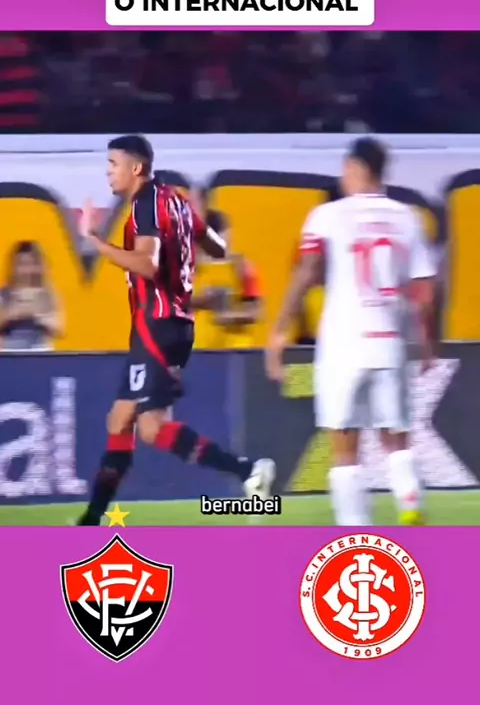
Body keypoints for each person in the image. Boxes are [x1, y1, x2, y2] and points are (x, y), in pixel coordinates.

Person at [76, 134, 274, 526]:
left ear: (135, 167)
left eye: (113, 164)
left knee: (148, 427)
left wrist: (95, 241)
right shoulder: (176, 203)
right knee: (123, 420)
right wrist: (186, 242)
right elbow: (217, 248)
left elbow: (147, 265)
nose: (108, 172)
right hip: (174, 326)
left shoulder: (146, 203)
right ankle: (91, 519)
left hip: (157, 325)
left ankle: (248, 470)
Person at [265, 137, 437, 527]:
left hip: (343, 342)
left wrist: (279, 330)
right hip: (391, 341)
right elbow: (424, 292)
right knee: (396, 437)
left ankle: (355, 525)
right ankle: (409, 497)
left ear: (356, 168)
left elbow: (308, 271)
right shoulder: (408, 217)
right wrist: (427, 344)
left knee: (343, 444)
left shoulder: (327, 216)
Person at [191, 208, 263, 349]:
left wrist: (226, 317)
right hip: (200, 349)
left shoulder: (243, 268)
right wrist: (202, 301)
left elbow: (256, 312)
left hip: (234, 350)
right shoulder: (189, 268)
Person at [0, 241, 63, 351]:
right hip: (9, 351)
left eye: (31, 264)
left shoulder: (47, 294)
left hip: (39, 351)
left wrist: (36, 316)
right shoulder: (4, 294)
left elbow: (59, 328)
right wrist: (14, 314)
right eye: (21, 264)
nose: (26, 270)